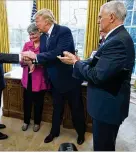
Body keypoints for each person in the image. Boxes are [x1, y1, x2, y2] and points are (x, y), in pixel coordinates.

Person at [58, 1, 135, 151]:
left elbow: (97, 75)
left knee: (103, 147)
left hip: (107, 107)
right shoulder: (115, 37)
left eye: (100, 17)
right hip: (106, 104)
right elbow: (97, 62)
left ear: (111, 17)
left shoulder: (118, 41)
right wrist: (77, 61)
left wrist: (75, 63)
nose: (98, 20)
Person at [22, 9, 85, 145]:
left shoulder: (64, 31)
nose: (36, 24)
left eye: (37, 21)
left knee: (76, 109)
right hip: (53, 81)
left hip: (70, 80)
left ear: (46, 20)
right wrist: (33, 62)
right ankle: (54, 132)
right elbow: (45, 57)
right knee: (57, 108)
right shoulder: (43, 36)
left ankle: (81, 133)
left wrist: (36, 56)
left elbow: (59, 52)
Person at [21, 23, 49, 132]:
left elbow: (46, 62)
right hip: (27, 79)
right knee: (26, 102)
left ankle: (37, 122)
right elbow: (21, 61)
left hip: (40, 79)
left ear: (40, 33)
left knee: (38, 103)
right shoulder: (27, 44)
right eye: (30, 34)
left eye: (34, 34)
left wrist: (32, 62)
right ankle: (26, 121)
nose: (31, 37)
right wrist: (26, 62)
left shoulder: (45, 46)